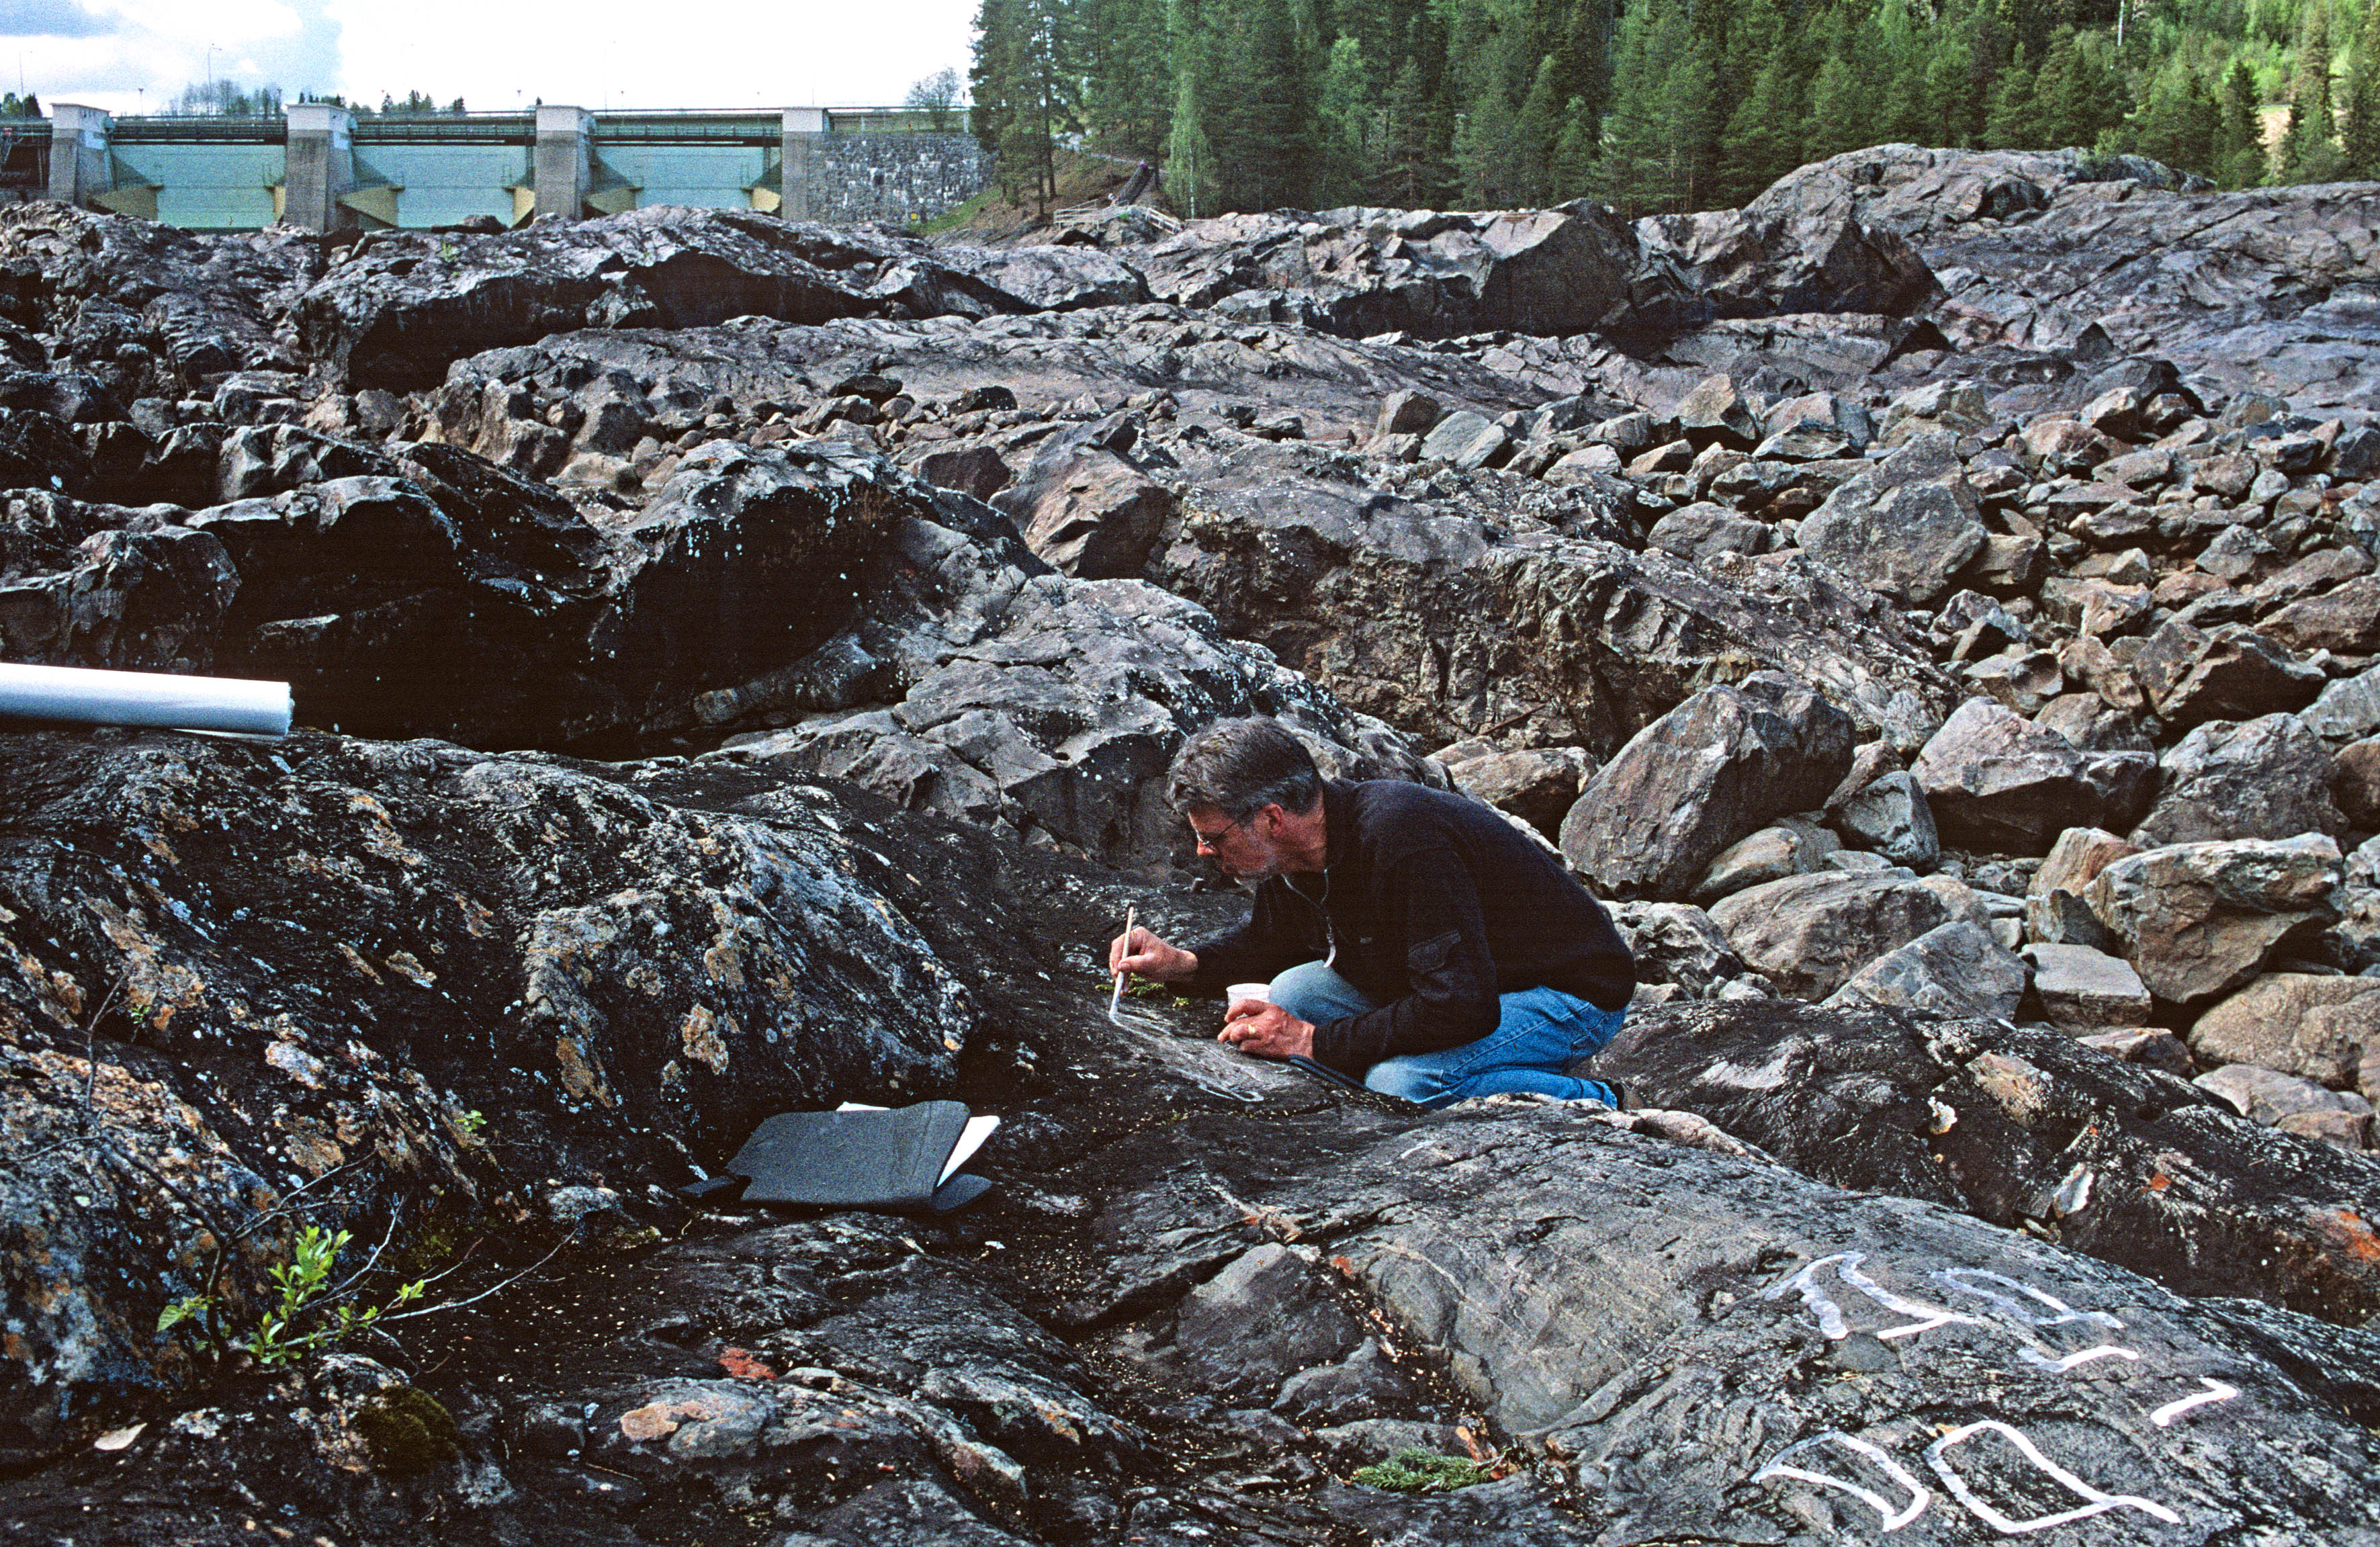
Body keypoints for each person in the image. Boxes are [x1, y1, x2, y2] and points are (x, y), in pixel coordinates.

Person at [1108, 717, 1635, 1107]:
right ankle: (1480, 1063)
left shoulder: (1401, 840)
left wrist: (1312, 1041)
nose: (1203, 851)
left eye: (1211, 836)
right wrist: (1182, 964)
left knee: (1401, 1084)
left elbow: (1461, 1005)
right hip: (1459, 984)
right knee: (1294, 990)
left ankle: (1595, 1097)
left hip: (1568, 993)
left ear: (1271, 818)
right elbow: (1272, 943)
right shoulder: (1295, 853)